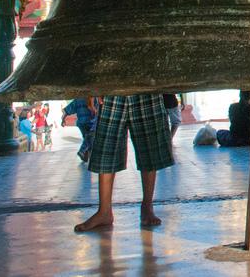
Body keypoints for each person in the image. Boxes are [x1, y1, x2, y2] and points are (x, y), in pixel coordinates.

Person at [74, 94, 174, 232]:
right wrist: (92, 90)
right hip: (111, 89)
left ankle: (147, 205)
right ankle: (104, 211)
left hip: (147, 88)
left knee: (149, 148)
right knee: (107, 147)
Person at [63, 98, 99, 162]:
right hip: (90, 122)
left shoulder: (78, 99)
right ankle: (82, 151)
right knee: (90, 138)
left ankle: (86, 155)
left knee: (87, 139)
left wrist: (63, 119)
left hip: (81, 123)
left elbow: (67, 110)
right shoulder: (94, 98)